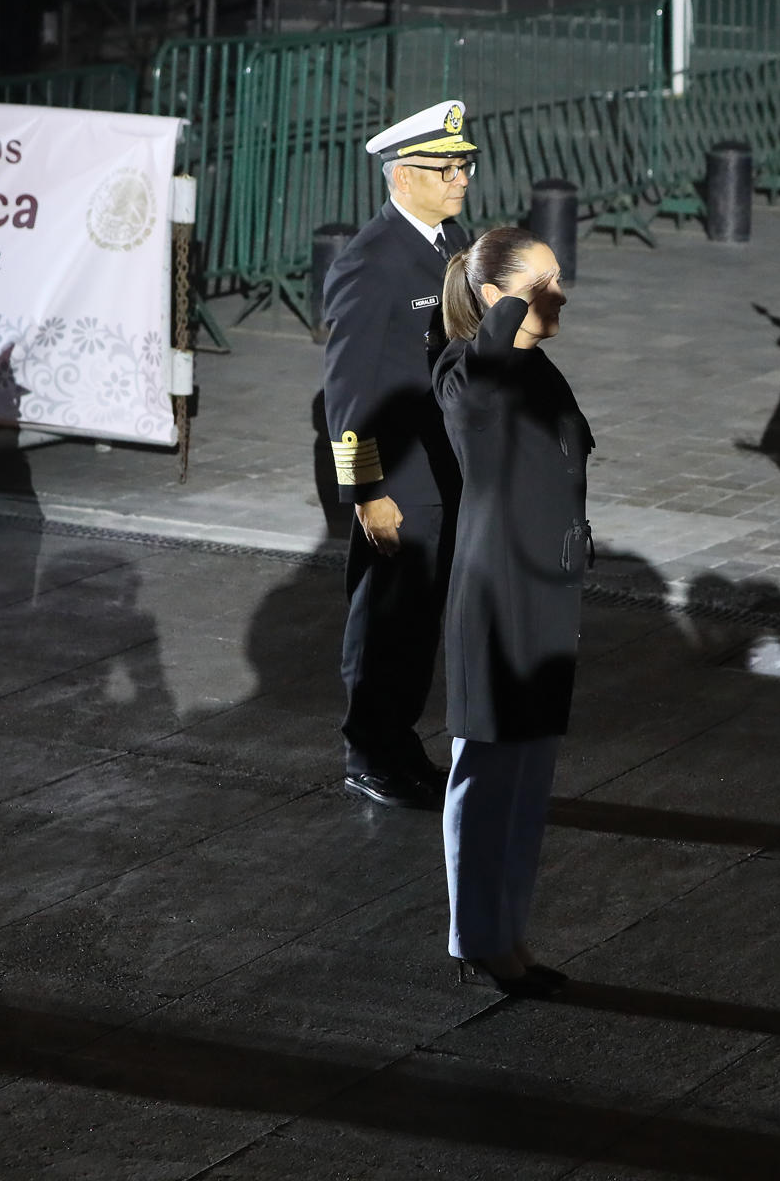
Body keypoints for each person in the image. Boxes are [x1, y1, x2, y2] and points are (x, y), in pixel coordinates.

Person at [431, 228, 590, 997]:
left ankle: (508, 932)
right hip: (495, 601)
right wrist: (501, 312)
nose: (560, 295)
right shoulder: (465, 371)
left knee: (528, 780)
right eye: (542, 284)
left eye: (559, 280)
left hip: (546, 596)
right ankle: (475, 936)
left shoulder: (537, 370)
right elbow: (484, 383)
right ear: (495, 299)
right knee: (483, 775)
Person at [321, 100, 478, 809]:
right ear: (404, 175)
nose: (462, 178)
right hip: (399, 479)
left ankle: (401, 741)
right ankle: (371, 752)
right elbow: (347, 389)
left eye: (466, 164)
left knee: (419, 622)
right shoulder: (373, 261)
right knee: (386, 620)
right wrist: (365, 494)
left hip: (445, 469)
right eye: (448, 168)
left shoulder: (449, 242)